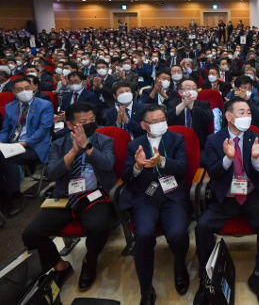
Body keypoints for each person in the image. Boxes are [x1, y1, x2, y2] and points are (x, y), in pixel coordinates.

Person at [22, 102, 116, 290]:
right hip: (66, 195)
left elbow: (107, 164)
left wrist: (86, 146)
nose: (89, 124)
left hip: (94, 194)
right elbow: (53, 173)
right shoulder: (58, 144)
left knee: (98, 227)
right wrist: (74, 150)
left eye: (92, 120)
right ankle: (60, 265)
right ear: (70, 125)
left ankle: (90, 261)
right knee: (31, 234)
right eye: (83, 122)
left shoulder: (104, 140)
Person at [194, 97, 259, 305]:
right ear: (229, 116)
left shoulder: (255, 136)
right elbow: (213, 171)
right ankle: (207, 278)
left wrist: (257, 158)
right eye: (241, 112)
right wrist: (228, 158)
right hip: (226, 197)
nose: (247, 116)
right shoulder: (214, 140)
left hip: (251, 194)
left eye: (248, 112)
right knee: (202, 227)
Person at [120, 104, 190, 305]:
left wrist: (162, 162)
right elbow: (125, 175)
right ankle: (146, 288)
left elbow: (183, 167)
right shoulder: (135, 145)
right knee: (143, 235)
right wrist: (136, 166)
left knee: (178, 234)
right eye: (155, 121)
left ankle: (179, 266)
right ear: (144, 125)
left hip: (172, 194)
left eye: (163, 120)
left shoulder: (176, 139)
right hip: (145, 197)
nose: (161, 124)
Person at [0, 77, 53, 216]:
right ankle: (4, 194)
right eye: (20, 89)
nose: (24, 91)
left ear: (33, 88)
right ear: (13, 92)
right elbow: (5, 129)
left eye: (27, 88)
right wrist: (1, 143)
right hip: (12, 144)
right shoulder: (11, 107)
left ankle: (16, 195)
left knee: (7, 159)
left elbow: (43, 130)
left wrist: (23, 144)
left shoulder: (44, 105)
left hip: (34, 147)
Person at [166, 79, 214, 152]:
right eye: (188, 88)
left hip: (199, 143)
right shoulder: (172, 104)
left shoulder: (204, 104)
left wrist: (192, 107)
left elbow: (209, 118)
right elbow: (167, 119)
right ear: (180, 92)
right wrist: (183, 104)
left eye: (194, 88)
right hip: (177, 142)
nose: (192, 90)